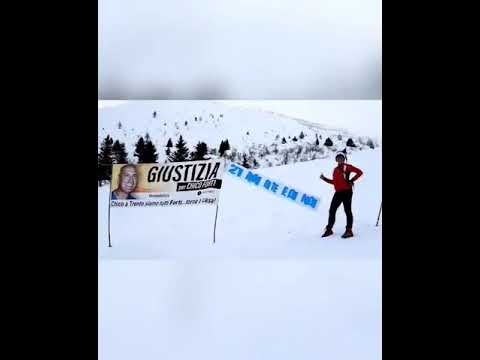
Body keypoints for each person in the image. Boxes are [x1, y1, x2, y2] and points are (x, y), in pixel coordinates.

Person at [320, 150, 363, 238]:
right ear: (336, 160)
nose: (340, 159)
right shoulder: (335, 170)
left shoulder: (347, 167)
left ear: (344, 159)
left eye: (341, 158)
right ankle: (329, 230)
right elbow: (334, 182)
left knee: (347, 210)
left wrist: (351, 180)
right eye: (338, 158)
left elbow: (360, 172)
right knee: (332, 210)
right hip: (338, 192)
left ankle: (349, 230)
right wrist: (324, 178)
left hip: (347, 192)